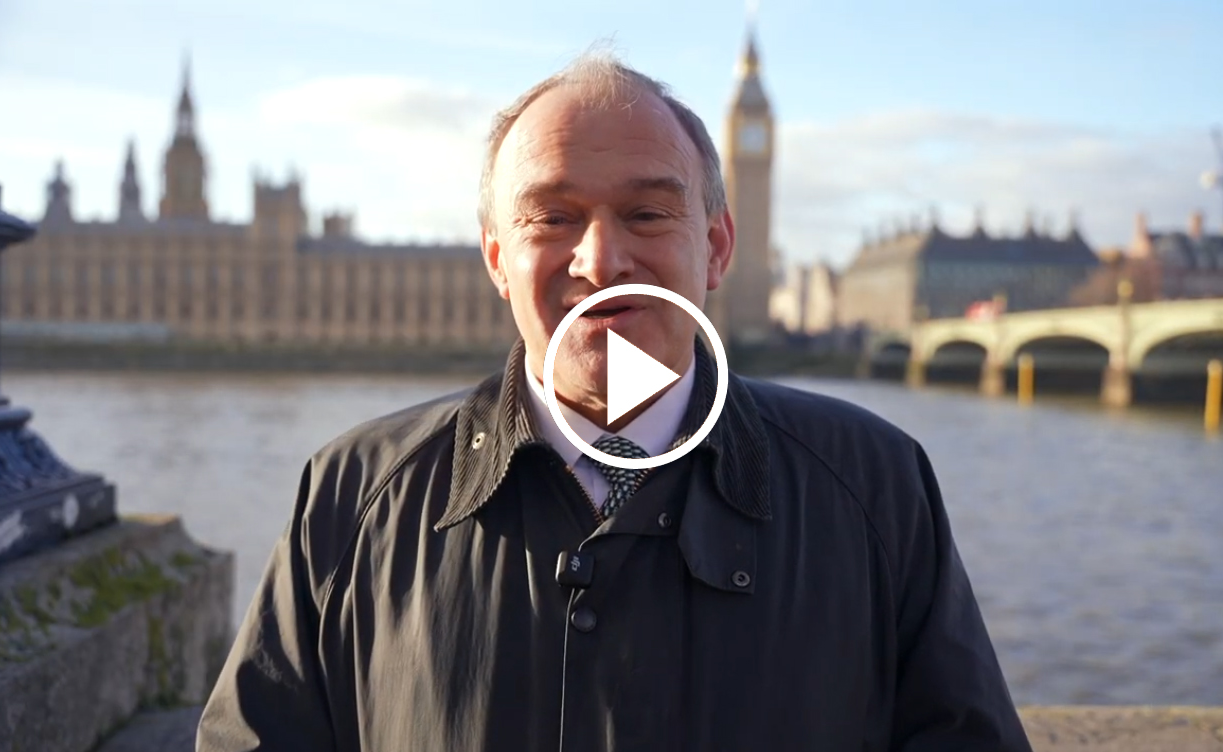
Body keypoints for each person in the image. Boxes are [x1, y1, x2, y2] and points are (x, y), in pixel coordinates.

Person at [197, 49, 1033, 752]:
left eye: (645, 211)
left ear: (715, 246)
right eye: (552, 218)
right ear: (496, 257)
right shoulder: (352, 499)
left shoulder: (876, 489)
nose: (600, 259)